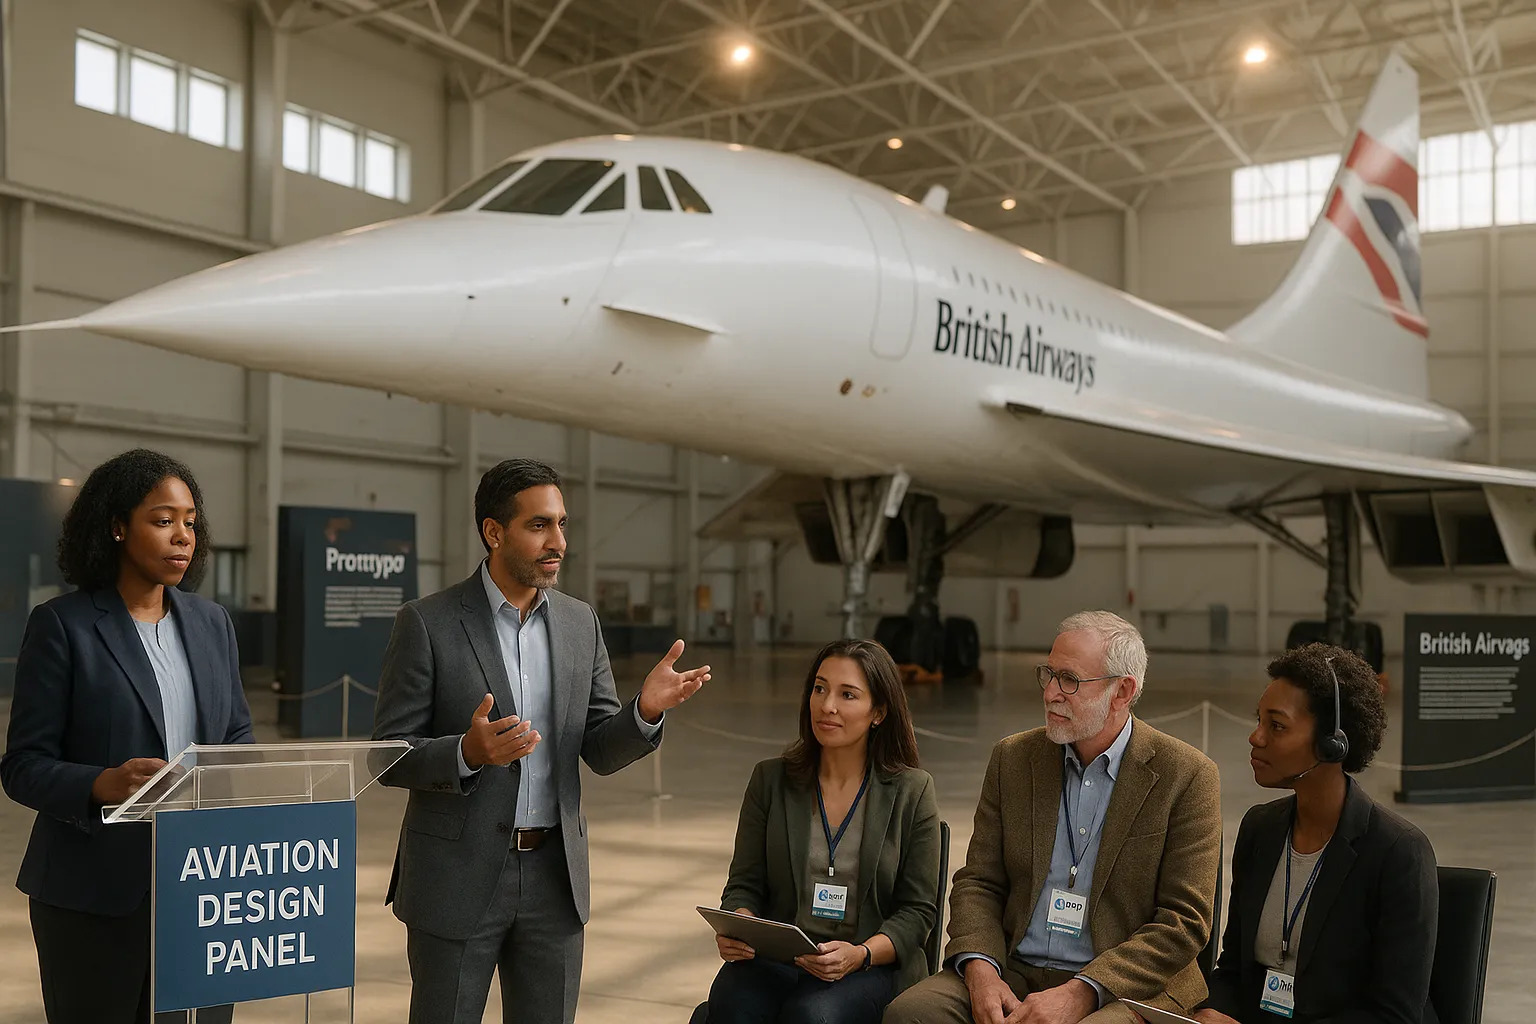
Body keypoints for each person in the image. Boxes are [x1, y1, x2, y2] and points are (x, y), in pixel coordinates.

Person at [372, 458, 711, 1024]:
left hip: (555, 879)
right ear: (493, 531)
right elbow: (388, 754)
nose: (558, 542)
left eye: (562, 524)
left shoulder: (581, 624)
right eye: (539, 526)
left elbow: (600, 751)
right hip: (457, 878)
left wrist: (645, 710)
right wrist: (466, 753)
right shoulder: (427, 622)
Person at [1, 449, 253, 1024]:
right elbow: (23, 765)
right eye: (163, 521)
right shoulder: (62, 626)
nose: (182, 537)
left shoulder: (213, 624)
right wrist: (101, 784)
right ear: (116, 526)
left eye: (190, 522)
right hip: (94, 897)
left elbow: (236, 733)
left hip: (206, 891)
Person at [885, 610, 1222, 1024]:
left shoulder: (1186, 775)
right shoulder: (1013, 758)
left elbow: (1183, 922)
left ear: (1123, 691)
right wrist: (981, 970)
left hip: (1121, 988)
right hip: (1014, 968)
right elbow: (979, 882)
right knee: (911, 1013)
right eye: (1048, 674)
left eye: (1070, 680)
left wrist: (1082, 993)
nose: (1050, 694)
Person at [1197, 644, 1438, 1024]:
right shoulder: (1260, 829)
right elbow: (1233, 968)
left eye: (1276, 726)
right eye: (1258, 720)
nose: (1255, 737)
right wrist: (1213, 1011)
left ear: (1333, 743)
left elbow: (1394, 1014)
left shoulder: (1398, 851)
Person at [706, 639, 941, 1024]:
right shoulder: (771, 780)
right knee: (731, 996)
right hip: (781, 959)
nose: (827, 705)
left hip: (869, 966)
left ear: (878, 712)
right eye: (819, 688)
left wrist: (861, 954)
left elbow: (917, 911)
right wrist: (739, 923)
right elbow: (744, 883)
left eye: (847, 694)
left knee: (814, 1015)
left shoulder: (912, 791)